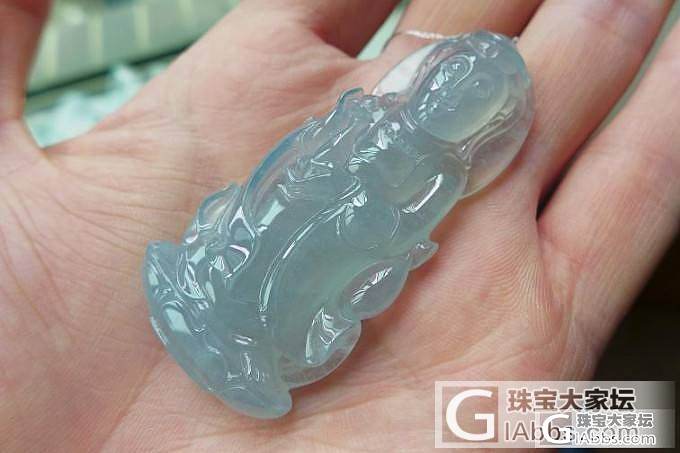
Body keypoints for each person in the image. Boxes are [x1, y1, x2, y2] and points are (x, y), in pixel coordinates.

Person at [0, 0, 677, 450]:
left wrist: (378, 224)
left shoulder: (444, 167)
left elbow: (412, 224)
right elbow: (299, 148)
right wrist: (294, 176)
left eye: (473, 96)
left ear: (483, 120)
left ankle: (252, 347)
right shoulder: (370, 110)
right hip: (303, 196)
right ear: (430, 79)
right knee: (254, 249)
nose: (451, 95)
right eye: (451, 79)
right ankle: (207, 297)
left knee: (293, 286)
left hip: (348, 233)